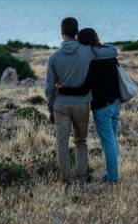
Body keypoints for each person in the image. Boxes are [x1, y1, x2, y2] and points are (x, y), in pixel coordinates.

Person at [45, 18, 117, 189]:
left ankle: (66, 182)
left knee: (62, 143)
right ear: (76, 32)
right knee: (81, 141)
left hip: (61, 105)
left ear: (61, 32)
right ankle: (82, 181)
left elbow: (49, 88)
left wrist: (50, 108)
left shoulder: (54, 57)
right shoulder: (88, 51)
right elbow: (113, 52)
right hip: (82, 104)